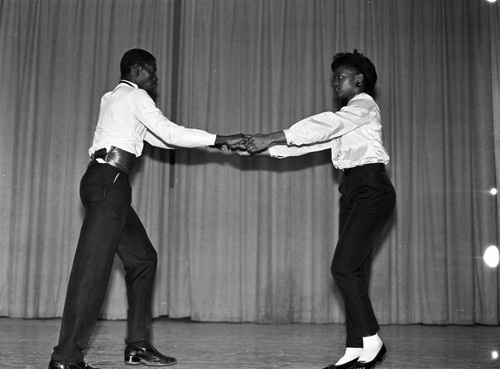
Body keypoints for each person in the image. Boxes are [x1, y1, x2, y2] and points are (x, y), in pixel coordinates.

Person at [49, 48, 247, 369]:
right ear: (139, 70)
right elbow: (169, 131)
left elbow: (161, 139)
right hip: (108, 183)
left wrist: (217, 142)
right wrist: (220, 137)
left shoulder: (112, 98)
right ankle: (65, 357)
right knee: (92, 271)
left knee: (142, 258)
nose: (156, 79)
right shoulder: (137, 96)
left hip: (107, 183)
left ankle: (138, 346)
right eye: (153, 72)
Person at [244, 50, 396, 369]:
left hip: (371, 188)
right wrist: (261, 149)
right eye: (333, 78)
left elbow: (327, 124)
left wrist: (271, 136)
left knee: (342, 267)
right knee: (355, 270)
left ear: (359, 80)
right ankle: (355, 349)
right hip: (352, 190)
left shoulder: (363, 105)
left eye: (340, 77)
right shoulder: (348, 120)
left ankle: (373, 340)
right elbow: (310, 143)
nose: (334, 82)